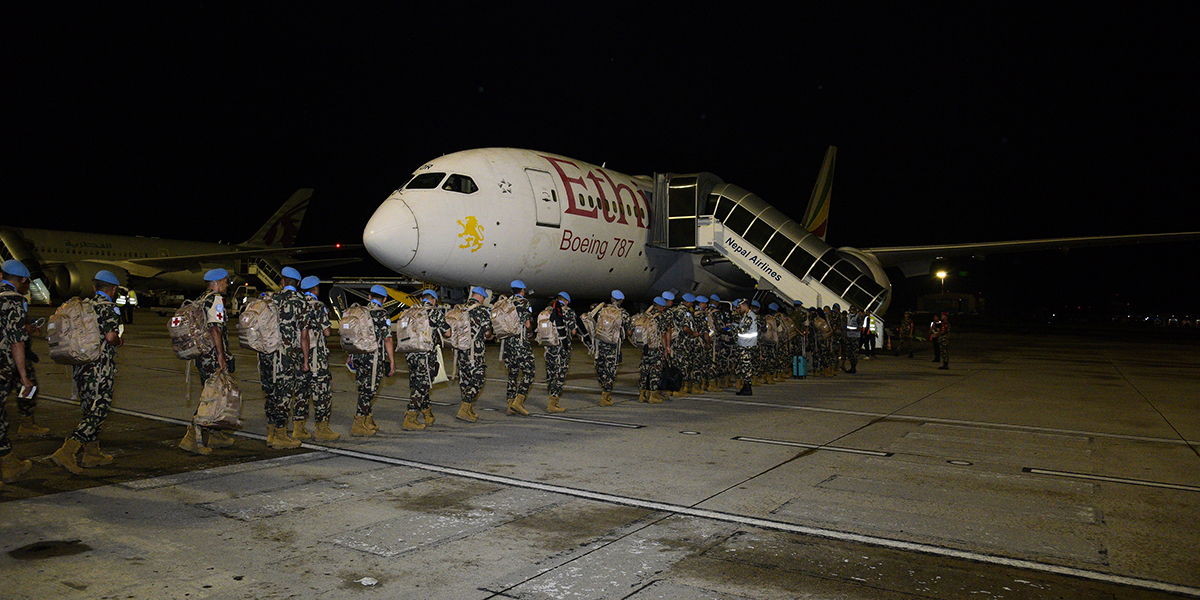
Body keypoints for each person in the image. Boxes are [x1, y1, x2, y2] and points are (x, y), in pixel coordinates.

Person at [49, 270, 125, 474]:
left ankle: (92, 453)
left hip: (81, 365)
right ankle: (68, 450)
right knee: (99, 409)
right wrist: (119, 340)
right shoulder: (109, 308)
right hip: (100, 367)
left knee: (89, 408)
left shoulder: (85, 306)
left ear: (94, 287)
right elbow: (110, 337)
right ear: (114, 289)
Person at [179, 268, 237, 455]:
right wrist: (221, 356)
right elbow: (215, 330)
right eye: (225, 281)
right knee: (211, 396)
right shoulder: (216, 300)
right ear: (218, 282)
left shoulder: (201, 298)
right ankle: (191, 438)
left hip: (202, 355)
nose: (227, 285)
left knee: (216, 394)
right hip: (212, 355)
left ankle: (216, 435)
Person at [258, 266, 309, 449]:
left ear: (282, 282)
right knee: (284, 395)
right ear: (298, 284)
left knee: (270, 392)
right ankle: (280, 435)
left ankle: (270, 433)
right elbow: (304, 335)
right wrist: (305, 360)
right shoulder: (301, 302)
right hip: (287, 356)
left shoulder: (269, 299)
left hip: (266, 354)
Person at [0, 260, 37, 485]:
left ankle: (9, 463)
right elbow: (16, 341)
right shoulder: (14, 300)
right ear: (23, 280)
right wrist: (23, 376)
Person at [295, 276, 338, 441]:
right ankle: (322, 429)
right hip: (316, 357)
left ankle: (298, 428)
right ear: (315, 289)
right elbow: (327, 332)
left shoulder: (297, 305)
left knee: (301, 392)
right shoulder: (318, 306)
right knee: (322, 392)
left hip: (299, 356)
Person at [351, 284, 397, 435]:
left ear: (369, 297)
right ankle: (358, 424)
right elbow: (387, 339)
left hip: (358, 356)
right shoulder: (382, 314)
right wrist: (392, 361)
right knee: (369, 390)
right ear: (384, 299)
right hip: (373, 359)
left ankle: (367, 420)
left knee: (362, 388)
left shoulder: (359, 312)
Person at [401, 289, 450, 428]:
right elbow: (448, 333)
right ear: (433, 300)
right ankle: (410, 417)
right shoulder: (434, 312)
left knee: (418, 382)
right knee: (423, 385)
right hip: (426, 355)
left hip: (410, 354)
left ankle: (427, 413)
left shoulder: (409, 311)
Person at [453, 287, 494, 423]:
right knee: (478, 378)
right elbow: (487, 333)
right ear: (482, 297)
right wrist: (489, 335)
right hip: (474, 351)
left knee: (465, 379)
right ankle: (464, 408)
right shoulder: (482, 311)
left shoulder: (461, 308)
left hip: (461, 350)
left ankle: (469, 409)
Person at [588, 290, 631, 406]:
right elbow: (629, 330)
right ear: (621, 301)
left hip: (600, 345)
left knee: (600, 368)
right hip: (613, 346)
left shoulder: (601, 309)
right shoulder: (623, 313)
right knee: (611, 370)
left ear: (611, 299)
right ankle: (605, 395)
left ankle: (603, 388)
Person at [501, 280, 536, 416]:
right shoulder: (524, 303)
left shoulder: (506, 303)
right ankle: (519, 401)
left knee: (512, 373)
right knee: (529, 371)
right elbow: (527, 324)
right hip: (520, 342)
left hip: (507, 343)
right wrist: (531, 332)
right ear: (522, 291)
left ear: (512, 291)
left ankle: (510, 405)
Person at [543, 292, 576, 413]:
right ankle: (553, 403)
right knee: (560, 374)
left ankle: (551, 395)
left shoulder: (547, 310)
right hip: (562, 348)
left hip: (549, 347)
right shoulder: (568, 311)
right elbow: (573, 332)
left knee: (551, 373)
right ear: (566, 301)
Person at [637, 297, 668, 403]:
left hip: (645, 347)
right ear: (660, 306)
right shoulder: (660, 317)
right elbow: (663, 334)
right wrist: (665, 348)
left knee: (644, 371)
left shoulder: (646, 315)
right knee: (655, 371)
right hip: (655, 348)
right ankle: (653, 396)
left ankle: (642, 395)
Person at [731, 299, 758, 396]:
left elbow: (743, 330)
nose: (738, 309)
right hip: (747, 344)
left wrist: (732, 327)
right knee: (745, 366)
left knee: (746, 367)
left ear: (744, 306)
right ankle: (746, 387)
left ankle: (747, 388)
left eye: (739, 307)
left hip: (747, 345)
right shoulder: (748, 316)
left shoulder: (749, 317)